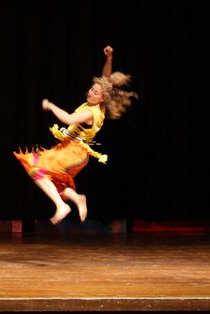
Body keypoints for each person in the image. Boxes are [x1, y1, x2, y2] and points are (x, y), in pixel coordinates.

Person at [13, 46, 138, 224]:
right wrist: (109, 58)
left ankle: (62, 206)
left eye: (95, 92)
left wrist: (50, 106)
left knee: (35, 167)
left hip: (74, 152)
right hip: (71, 149)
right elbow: (105, 79)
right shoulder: (99, 105)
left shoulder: (91, 113)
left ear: (102, 99)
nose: (90, 93)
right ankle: (77, 198)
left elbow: (68, 118)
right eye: (91, 89)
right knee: (53, 180)